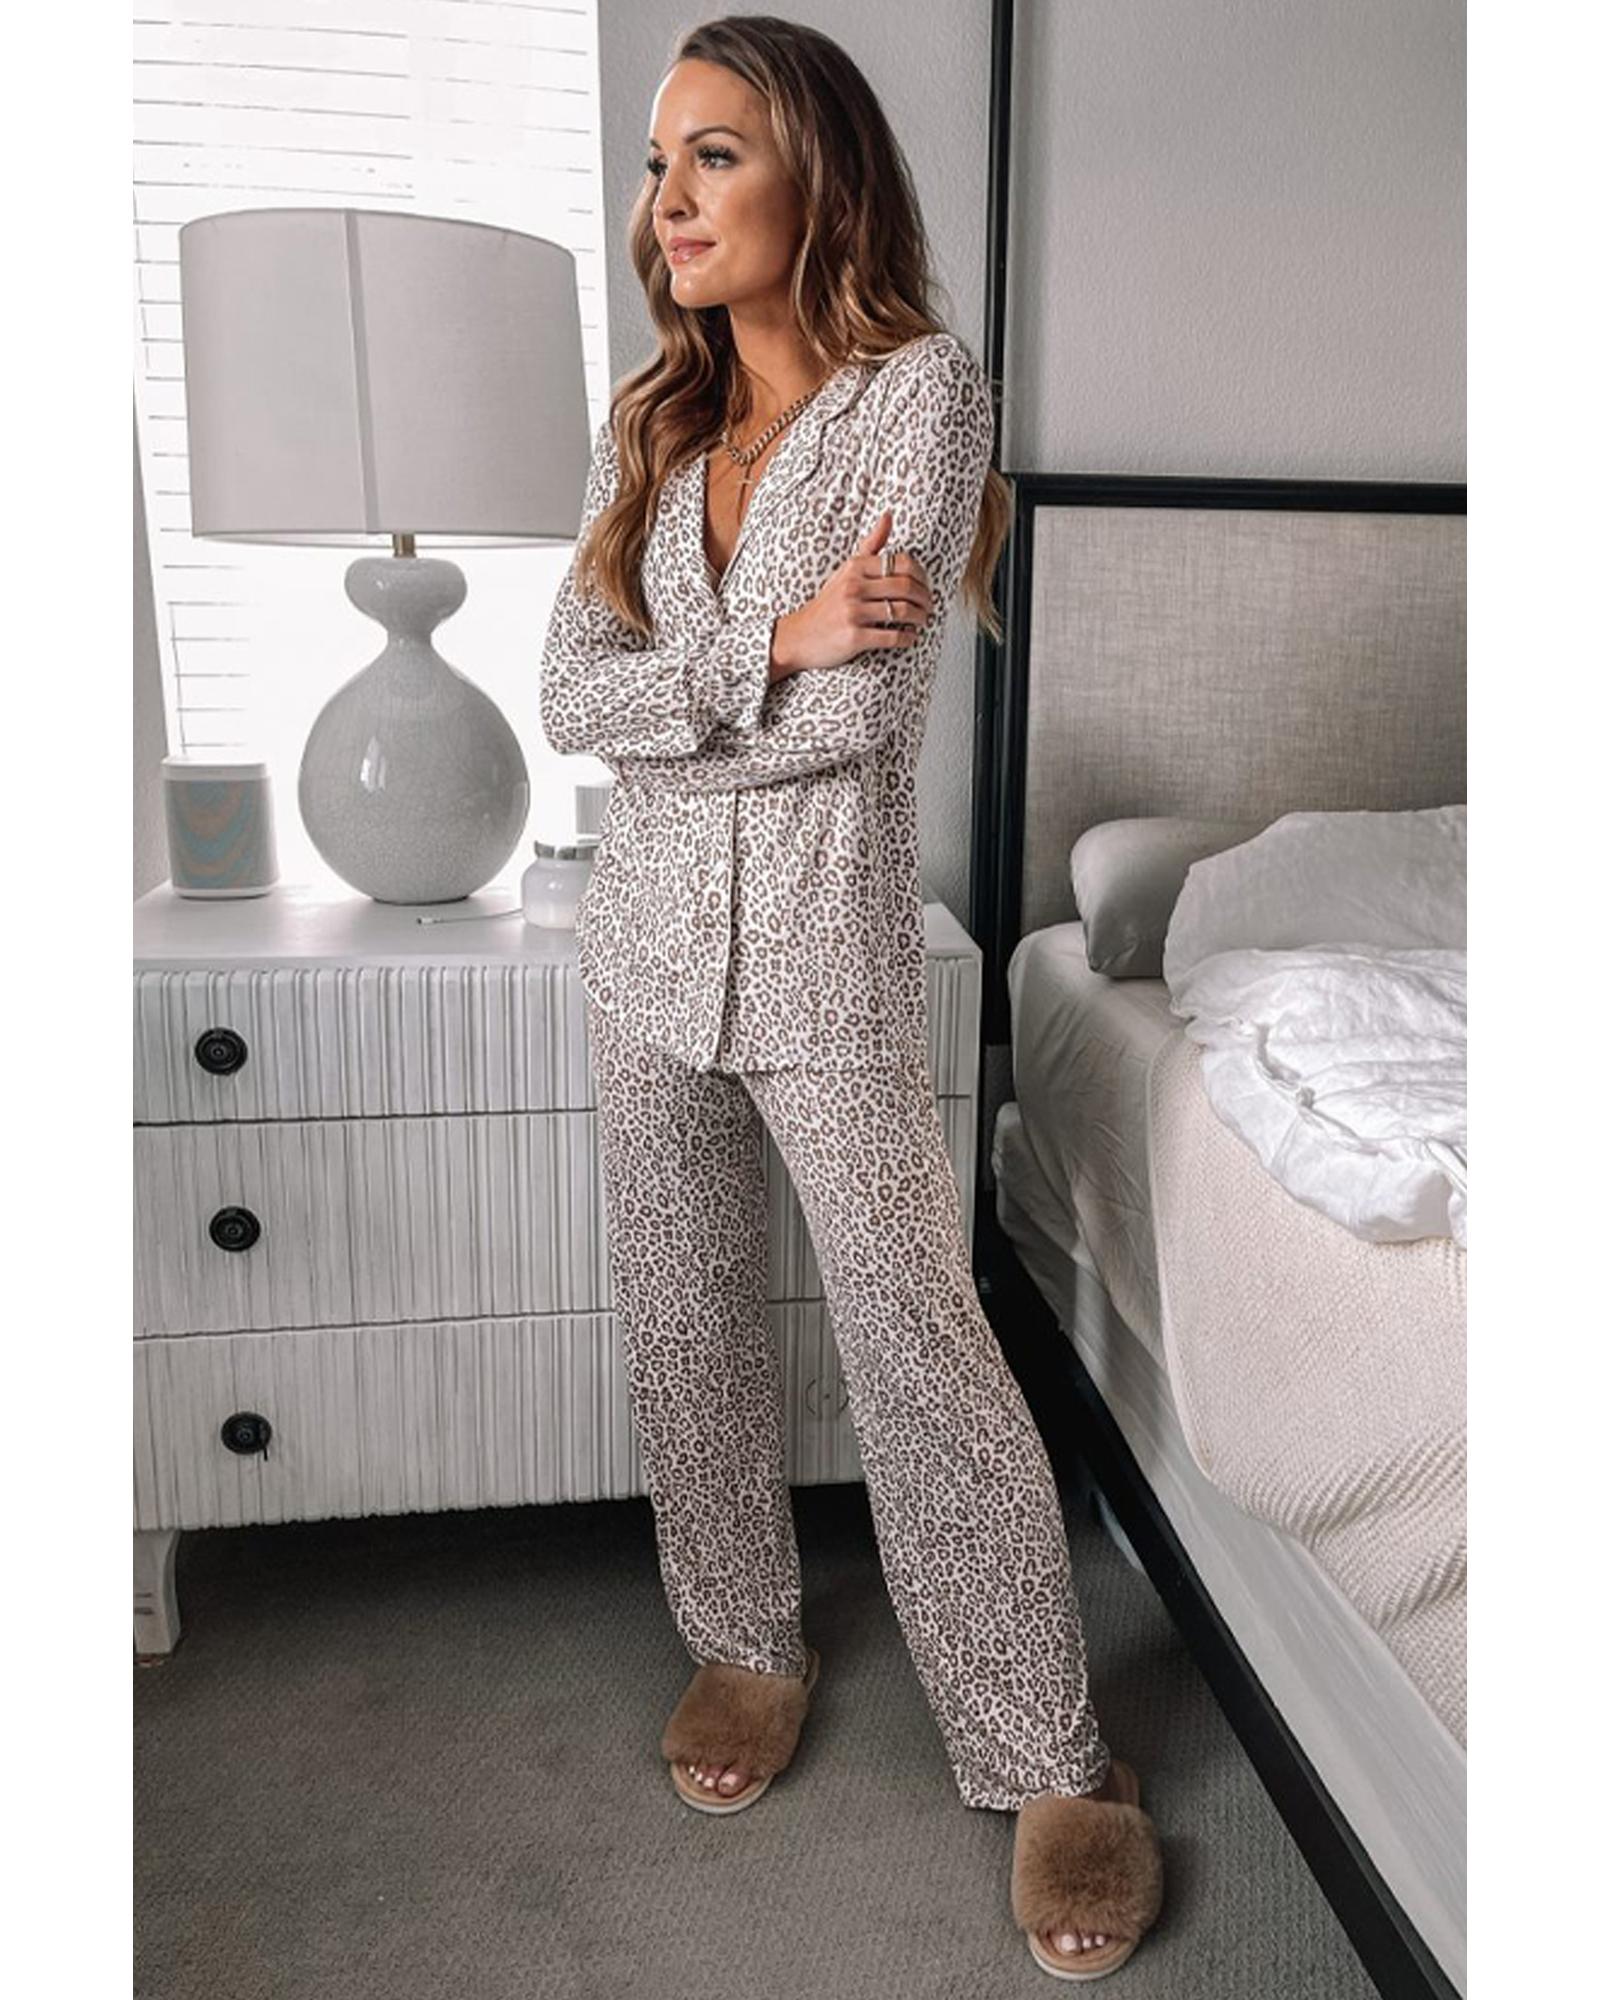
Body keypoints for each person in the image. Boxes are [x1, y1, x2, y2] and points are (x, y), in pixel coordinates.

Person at [539, 15, 1164, 1979]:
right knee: (688, 1319)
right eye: (657, 166)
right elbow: (563, 696)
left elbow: (858, 719)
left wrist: (714, 698)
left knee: (915, 1336)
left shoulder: (921, 397)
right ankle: (742, 1637)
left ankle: (1047, 1752)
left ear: (817, 170)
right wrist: (760, 652)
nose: (669, 202)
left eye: (713, 155)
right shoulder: (646, 427)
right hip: (643, 953)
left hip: (822, 957)